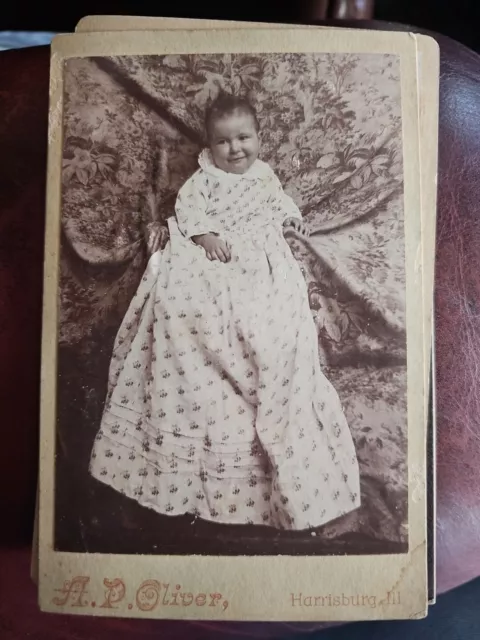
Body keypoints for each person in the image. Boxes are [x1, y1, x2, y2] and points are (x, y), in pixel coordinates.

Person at [89, 93, 361, 530]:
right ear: (210, 146)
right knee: (190, 301)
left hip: (259, 254)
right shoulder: (205, 179)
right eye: (224, 142)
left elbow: (279, 203)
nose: (235, 150)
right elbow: (189, 210)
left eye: (243, 139)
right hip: (218, 249)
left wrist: (292, 220)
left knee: (269, 320)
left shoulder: (264, 177)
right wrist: (204, 236)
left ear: (258, 138)